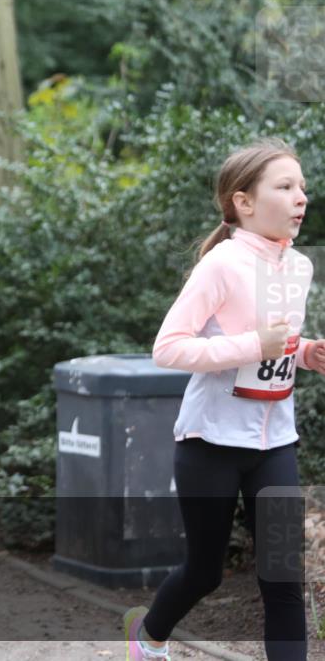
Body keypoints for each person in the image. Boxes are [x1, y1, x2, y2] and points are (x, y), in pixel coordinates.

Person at [125, 138, 325, 661]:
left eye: (302, 186)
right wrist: (253, 345)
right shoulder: (222, 265)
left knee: (282, 579)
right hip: (210, 442)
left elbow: (278, 346)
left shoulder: (299, 268)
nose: (301, 196)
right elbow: (168, 348)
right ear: (244, 202)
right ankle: (147, 638)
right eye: (285, 186)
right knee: (205, 572)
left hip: (276, 441)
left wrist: (305, 353)